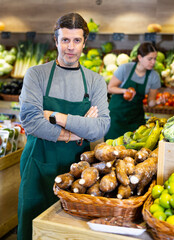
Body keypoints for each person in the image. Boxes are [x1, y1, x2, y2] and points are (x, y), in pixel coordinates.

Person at [17, 13, 110, 240]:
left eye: (76, 40)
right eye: (65, 40)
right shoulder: (36, 74)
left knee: (70, 231)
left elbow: (100, 127)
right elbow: (30, 121)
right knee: (33, 224)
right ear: (56, 41)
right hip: (38, 162)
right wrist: (78, 130)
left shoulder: (95, 80)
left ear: (84, 43)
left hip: (79, 168)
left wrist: (56, 116)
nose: (71, 47)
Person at [105, 42, 161, 140]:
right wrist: (124, 91)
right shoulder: (125, 68)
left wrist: (158, 102)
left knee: (134, 148)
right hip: (116, 117)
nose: (153, 62)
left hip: (135, 119)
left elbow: (150, 103)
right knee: (110, 149)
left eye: (155, 59)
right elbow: (110, 88)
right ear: (140, 57)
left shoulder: (154, 76)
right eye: (150, 59)